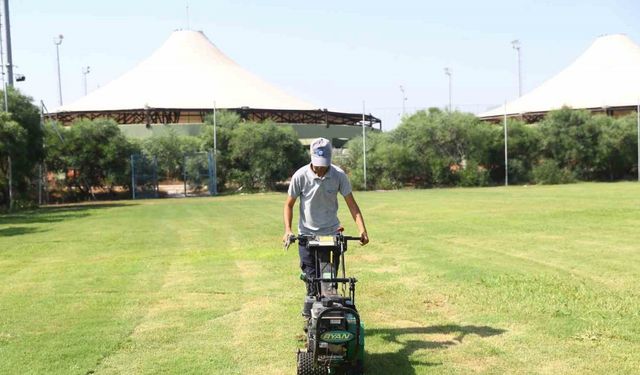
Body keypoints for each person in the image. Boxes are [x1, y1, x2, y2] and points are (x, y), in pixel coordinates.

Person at [283, 138, 369, 311]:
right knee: (312, 282)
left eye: (324, 165)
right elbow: (289, 205)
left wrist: (362, 230)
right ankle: (312, 321)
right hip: (307, 235)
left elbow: (352, 205)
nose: (320, 169)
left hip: (331, 235)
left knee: (329, 282)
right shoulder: (300, 176)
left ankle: (330, 317)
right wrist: (288, 230)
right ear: (312, 158)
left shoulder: (338, 175)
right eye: (317, 165)